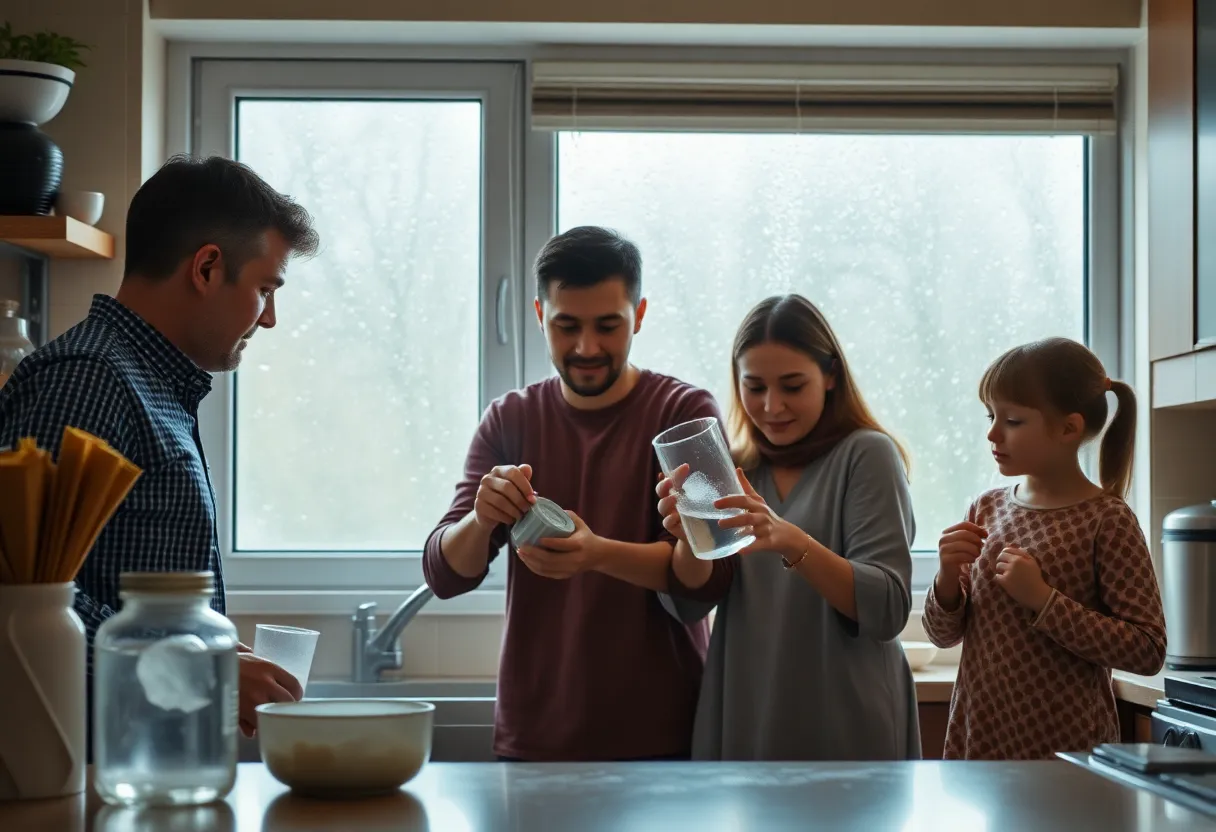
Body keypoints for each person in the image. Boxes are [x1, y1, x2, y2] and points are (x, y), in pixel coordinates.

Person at [0, 155, 320, 738]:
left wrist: (212, 650)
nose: (269, 319)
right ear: (206, 268)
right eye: (265, 289)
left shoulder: (148, 383)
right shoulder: (88, 380)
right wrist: (203, 670)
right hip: (93, 778)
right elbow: (18, 602)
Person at [423, 226, 720, 762]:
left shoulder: (687, 415)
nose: (587, 348)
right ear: (540, 315)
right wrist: (480, 519)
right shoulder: (508, 420)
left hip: (664, 737)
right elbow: (444, 573)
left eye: (608, 326)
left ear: (641, 314)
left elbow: (713, 581)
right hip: (536, 737)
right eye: (566, 326)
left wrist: (597, 554)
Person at [657, 294, 920, 761]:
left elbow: (888, 607)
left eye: (793, 386)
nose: (771, 406)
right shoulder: (732, 467)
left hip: (846, 717)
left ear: (831, 376)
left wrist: (792, 540)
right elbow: (688, 604)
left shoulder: (867, 455)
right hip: (746, 709)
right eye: (753, 387)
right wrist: (686, 540)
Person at [922, 338, 1166, 760]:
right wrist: (945, 577)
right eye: (991, 415)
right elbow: (942, 636)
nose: (992, 433)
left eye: (1013, 420)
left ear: (1069, 428)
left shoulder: (1106, 520)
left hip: (1067, 758)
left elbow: (1146, 650)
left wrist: (1044, 600)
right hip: (978, 747)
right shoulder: (986, 507)